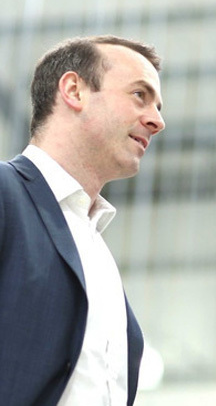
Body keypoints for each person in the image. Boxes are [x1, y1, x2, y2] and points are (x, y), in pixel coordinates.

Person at [0, 35, 166, 406]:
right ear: (74, 90)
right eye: (140, 95)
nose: (157, 121)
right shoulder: (5, 195)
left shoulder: (96, 249)